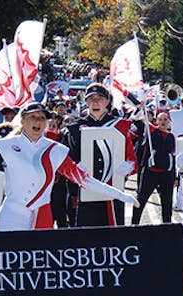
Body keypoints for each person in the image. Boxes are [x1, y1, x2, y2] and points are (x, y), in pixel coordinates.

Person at [0, 101, 137, 231]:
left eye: (42, 118)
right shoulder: (6, 146)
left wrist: (120, 195)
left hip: (41, 214)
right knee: (8, 263)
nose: (38, 122)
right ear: (23, 121)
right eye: (33, 117)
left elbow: (84, 180)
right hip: (11, 214)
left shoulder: (55, 150)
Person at [59, 83, 138, 227]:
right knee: (85, 239)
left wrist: (128, 166)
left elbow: (131, 157)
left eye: (100, 98)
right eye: (91, 99)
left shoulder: (119, 126)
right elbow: (67, 160)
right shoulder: (75, 128)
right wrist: (76, 169)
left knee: (112, 238)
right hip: (83, 190)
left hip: (112, 192)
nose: (95, 103)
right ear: (86, 102)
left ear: (107, 101)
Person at [132, 111, 176, 224]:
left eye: (165, 119)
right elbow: (136, 121)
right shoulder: (151, 131)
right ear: (156, 121)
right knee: (141, 199)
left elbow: (173, 156)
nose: (163, 122)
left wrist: (175, 177)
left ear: (169, 121)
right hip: (150, 173)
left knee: (167, 202)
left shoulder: (172, 137)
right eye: (160, 119)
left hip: (166, 174)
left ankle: (167, 226)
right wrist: (139, 108)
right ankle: (134, 224)